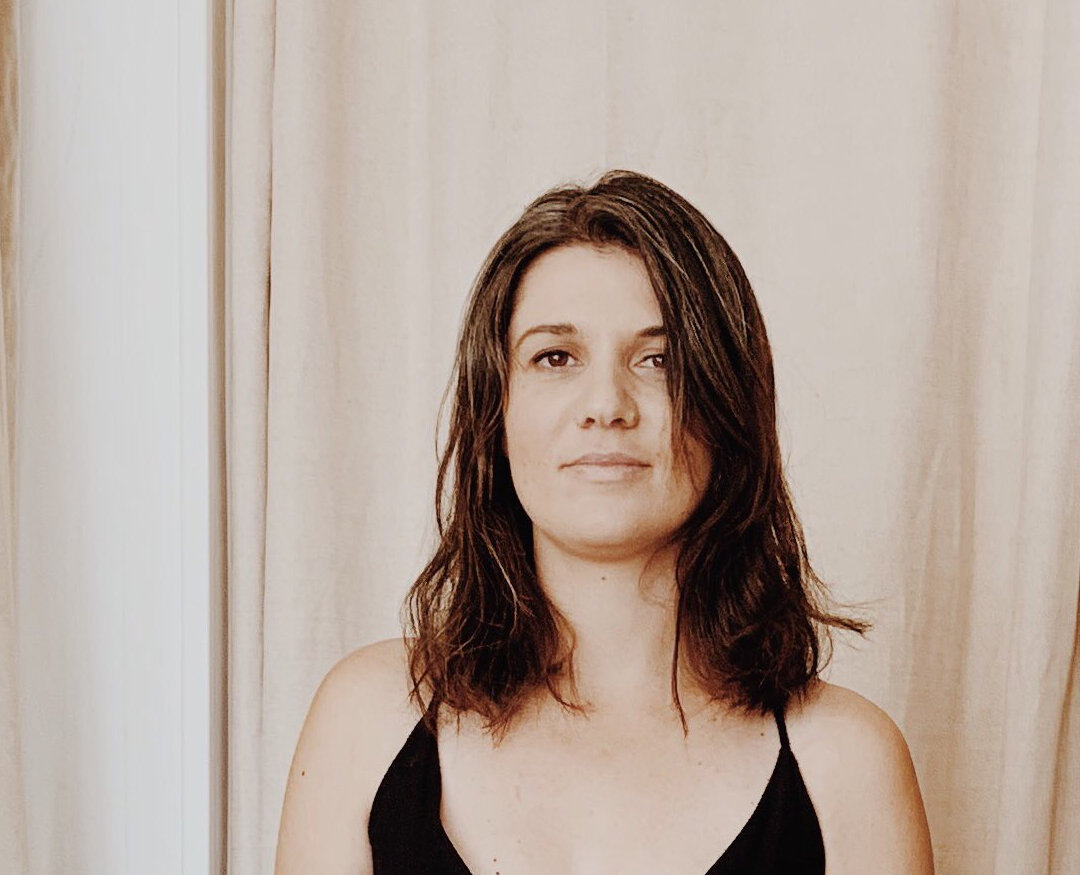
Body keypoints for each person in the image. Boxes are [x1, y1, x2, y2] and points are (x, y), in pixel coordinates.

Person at [274, 170, 935, 874]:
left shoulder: (847, 765)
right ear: (495, 414)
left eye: (658, 359)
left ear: (726, 407)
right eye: (555, 356)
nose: (607, 404)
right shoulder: (367, 719)